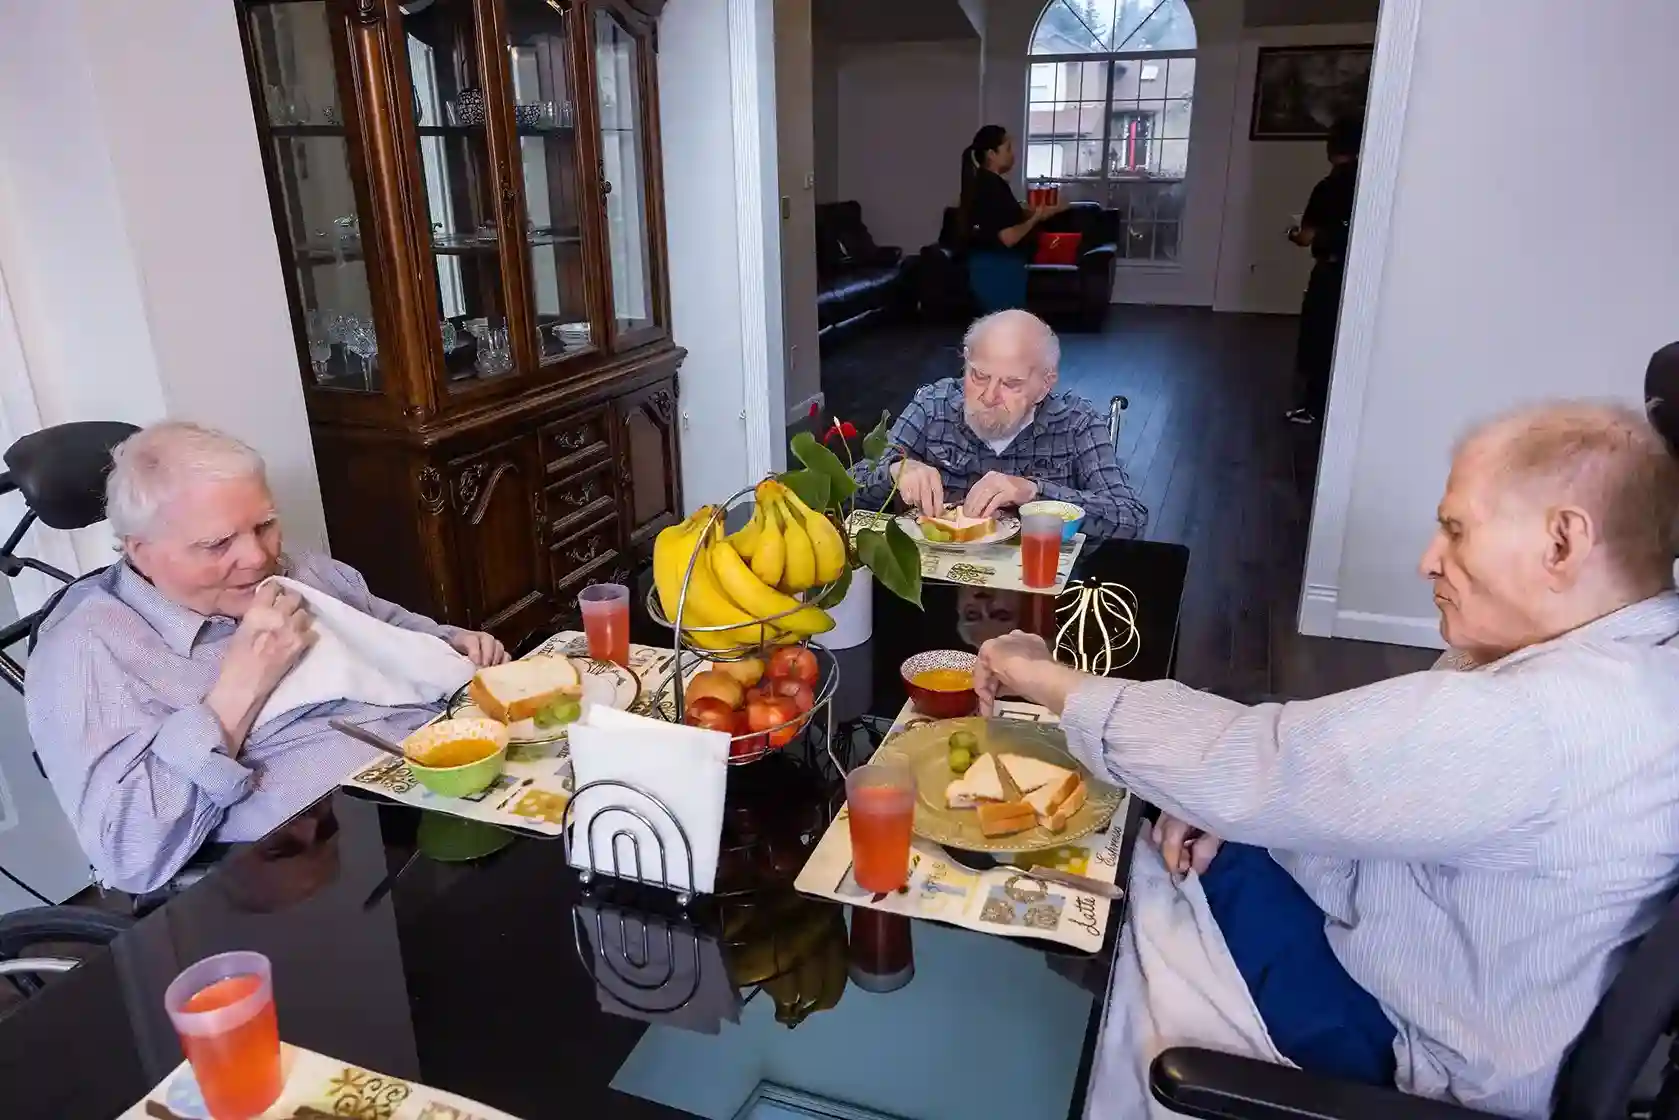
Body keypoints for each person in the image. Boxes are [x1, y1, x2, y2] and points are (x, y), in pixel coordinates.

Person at [975, 401, 1679, 1114]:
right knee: (1166, 806)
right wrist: (1250, 807)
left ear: (1562, 542)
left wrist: (1045, 677)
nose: (1428, 560)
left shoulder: (1540, 721)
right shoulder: (1645, 661)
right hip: (1422, 951)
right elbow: (1339, 775)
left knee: (1112, 850)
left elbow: (1255, 761)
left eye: (1456, 529)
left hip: (1399, 1040)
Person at [25, 421, 511, 896]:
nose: (258, 558)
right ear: (141, 552)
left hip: (459, 776)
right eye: (217, 544)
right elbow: (128, 853)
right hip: (345, 853)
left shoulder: (300, 572)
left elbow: (393, 629)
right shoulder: (85, 651)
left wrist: (452, 643)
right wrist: (241, 690)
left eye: (264, 526)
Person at [850, 309, 1147, 541]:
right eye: (979, 376)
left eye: (1011, 383)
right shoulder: (933, 406)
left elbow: (1130, 518)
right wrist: (894, 472)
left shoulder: (1076, 422)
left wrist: (1034, 492)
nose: (989, 396)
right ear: (966, 361)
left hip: (1039, 584)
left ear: (1045, 385)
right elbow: (845, 492)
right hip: (936, 585)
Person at [1285, 114, 1362, 426]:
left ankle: (1314, 408)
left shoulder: (1328, 188)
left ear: (1332, 148)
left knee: (1319, 341)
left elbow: (1305, 237)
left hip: (1330, 272)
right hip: (1359, 273)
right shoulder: (1369, 182)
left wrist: (1291, 233)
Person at [959, 125, 1067, 312]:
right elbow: (1007, 237)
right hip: (997, 271)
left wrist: (1041, 212)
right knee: (1005, 325)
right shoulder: (990, 188)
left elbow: (1006, 218)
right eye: (1007, 148)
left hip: (1000, 269)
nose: (1012, 154)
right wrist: (1035, 218)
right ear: (991, 154)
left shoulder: (991, 184)